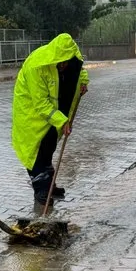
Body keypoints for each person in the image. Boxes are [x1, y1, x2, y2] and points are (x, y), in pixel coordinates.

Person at [12, 33, 89, 206]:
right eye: (60, 63)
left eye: (66, 63)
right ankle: (41, 190)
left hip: (51, 117)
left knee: (48, 147)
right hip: (31, 115)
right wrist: (62, 121)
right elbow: (40, 103)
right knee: (36, 153)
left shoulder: (71, 60)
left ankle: (48, 185)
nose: (63, 66)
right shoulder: (36, 66)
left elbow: (80, 72)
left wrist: (83, 81)